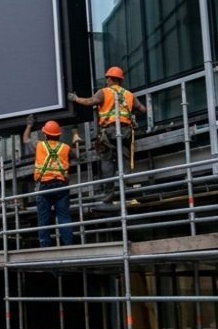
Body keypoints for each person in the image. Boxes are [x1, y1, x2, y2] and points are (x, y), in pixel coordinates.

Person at [69, 66, 146, 200]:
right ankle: (126, 185)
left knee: (107, 159)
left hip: (109, 131)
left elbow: (90, 101)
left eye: (107, 78)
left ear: (111, 79)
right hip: (125, 131)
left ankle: (108, 190)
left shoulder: (103, 92)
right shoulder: (128, 94)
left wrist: (75, 99)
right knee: (124, 157)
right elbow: (143, 109)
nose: (106, 80)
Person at [25, 117, 74, 247]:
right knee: (64, 217)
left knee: (43, 220)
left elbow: (26, 140)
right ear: (59, 135)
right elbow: (76, 157)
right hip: (61, 185)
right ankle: (69, 245)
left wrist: (29, 126)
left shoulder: (39, 146)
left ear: (45, 134)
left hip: (45, 185)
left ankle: (45, 247)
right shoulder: (65, 148)